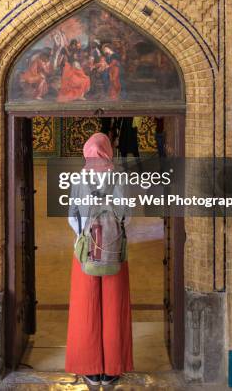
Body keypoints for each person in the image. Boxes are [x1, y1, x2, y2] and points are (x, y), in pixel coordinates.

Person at [66, 132, 133, 386]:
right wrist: (111, 236)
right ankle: (112, 370)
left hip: (86, 253)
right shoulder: (120, 177)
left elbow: (72, 216)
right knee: (115, 307)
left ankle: (91, 370)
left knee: (86, 307)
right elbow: (127, 217)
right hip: (115, 252)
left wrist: (88, 237)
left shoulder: (80, 177)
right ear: (108, 151)